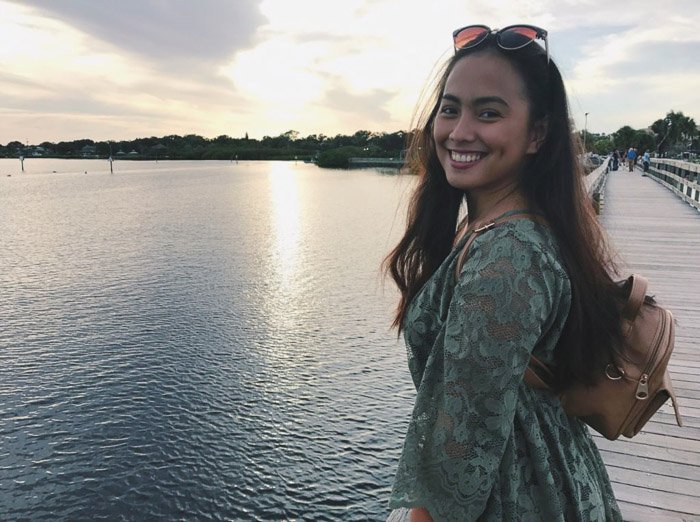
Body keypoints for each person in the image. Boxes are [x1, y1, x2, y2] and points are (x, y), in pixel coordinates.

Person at [384, 24, 624, 521]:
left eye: (488, 113)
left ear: (537, 134)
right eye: (450, 109)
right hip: (550, 476)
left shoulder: (506, 254)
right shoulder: (505, 227)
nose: (460, 131)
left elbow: (462, 456)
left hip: (515, 495)